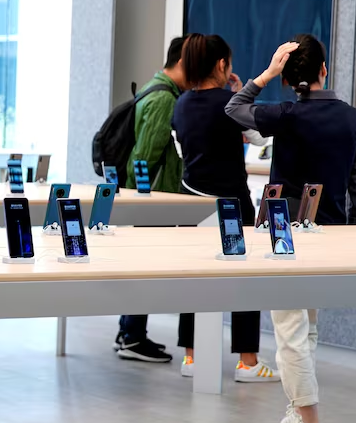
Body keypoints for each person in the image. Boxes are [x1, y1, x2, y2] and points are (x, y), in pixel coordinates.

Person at [226, 35, 356, 423]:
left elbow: (233, 108)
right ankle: (298, 409)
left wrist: (266, 73)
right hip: (330, 233)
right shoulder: (351, 117)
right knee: (305, 327)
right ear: (324, 70)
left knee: (289, 330)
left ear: (289, 80)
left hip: (283, 230)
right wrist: (355, 234)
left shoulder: (285, 114)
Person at [171, 34, 279, 383]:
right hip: (232, 206)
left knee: (193, 278)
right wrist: (239, 95)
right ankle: (247, 362)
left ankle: (191, 356)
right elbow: (262, 139)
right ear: (222, 65)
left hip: (190, 203)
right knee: (243, 280)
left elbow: (181, 151)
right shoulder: (230, 103)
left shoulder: (181, 104)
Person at [114, 37, 188, 363]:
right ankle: (131, 337)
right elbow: (143, 156)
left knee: (140, 264)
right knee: (144, 266)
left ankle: (130, 333)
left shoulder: (156, 89)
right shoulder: (163, 100)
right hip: (152, 198)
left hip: (147, 196)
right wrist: (142, 197)